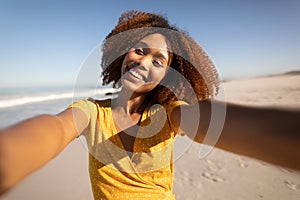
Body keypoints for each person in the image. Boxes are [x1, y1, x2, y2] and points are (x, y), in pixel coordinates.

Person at [0, 10, 299, 199]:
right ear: (121, 54)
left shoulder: (171, 112)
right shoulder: (91, 112)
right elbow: (53, 129)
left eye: (158, 60)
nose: (143, 62)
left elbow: (210, 120)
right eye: (139, 51)